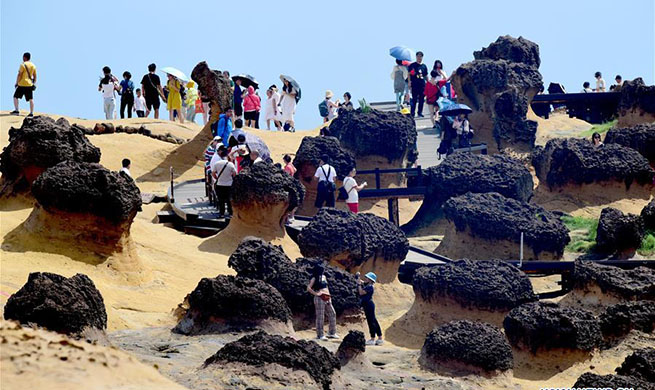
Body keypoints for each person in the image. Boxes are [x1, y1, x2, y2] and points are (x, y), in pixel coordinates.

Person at [306, 263, 339, 341]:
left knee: (332, 313)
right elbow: (308, 288)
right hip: (319, 297)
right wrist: (316, 294)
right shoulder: (314, 278)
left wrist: (329, 296)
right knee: (320, 316)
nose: (323, 270)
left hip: (327, 297)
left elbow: (326, 286)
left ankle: (332, 332)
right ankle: (320, 335)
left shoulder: (324, 277)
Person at [357, 271, 383, 345]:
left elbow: (361, 292)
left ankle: (372, 339)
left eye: (367, 278)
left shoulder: (369, 287)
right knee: (374, 320)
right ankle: (380, 338)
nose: (366, 278)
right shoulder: (369, 285)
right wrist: (359, 279)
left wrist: (359, 284)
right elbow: (362, 282)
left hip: (369, 305)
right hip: (368, 305)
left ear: (370, 279)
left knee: (371, 322)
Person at [212, 147, 236, 218]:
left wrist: (217, 178)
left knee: (221, 200)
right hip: (229, 184)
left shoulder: (217, 163)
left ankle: (222, 213)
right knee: (229, 200)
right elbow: (234, 173)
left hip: (220, 184)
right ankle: (230, 213)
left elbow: (213, 173)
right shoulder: (231, 164)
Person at [11, 52, 37, 116]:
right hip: (29, 85)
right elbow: (35, 76)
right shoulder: (33, 65)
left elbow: (19, 74)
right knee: (31, 99)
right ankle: (31, 113)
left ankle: (16, 110)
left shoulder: (22, 65)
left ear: (24, 57)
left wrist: (16, 83)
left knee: (15, 97)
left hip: (22, 84)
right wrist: (33, 83)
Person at [408, 51, 428, 117]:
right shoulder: (412, 65)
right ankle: (412, 113)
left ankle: (420, 112)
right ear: (416, 57)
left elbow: (426, 75)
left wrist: (428, 83)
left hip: (422, 85)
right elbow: (409, 74)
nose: (419, 58)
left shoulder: (424, 66)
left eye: (421, 56)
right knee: (414, 100)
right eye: (418, 56)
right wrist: (409, 82)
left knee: (421, 100)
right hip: (414, 84)